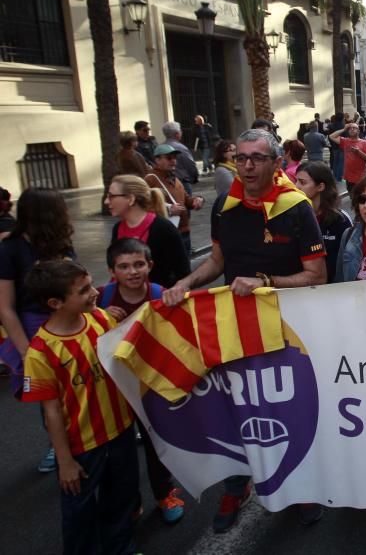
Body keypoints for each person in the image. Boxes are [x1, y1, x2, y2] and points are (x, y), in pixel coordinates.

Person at [161, 128, 327, 531]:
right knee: (236, 409)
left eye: (257, 158)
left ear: (274, 163)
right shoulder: (224, 205)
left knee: (286, 408)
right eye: (241, 158)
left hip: (288, 329)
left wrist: (265, 281)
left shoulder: (296, 207)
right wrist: (185, 283)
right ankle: (237, 486)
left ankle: (302, 486)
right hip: (234, 326)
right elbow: (217, 261)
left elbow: (316, 276)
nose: (248, 166)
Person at [21, 260, 139, 555]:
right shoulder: (41, 352)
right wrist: (65, 462)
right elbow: (51, 412)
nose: (94, 292)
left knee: (121, 500)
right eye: (84, 290)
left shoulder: (100, 320)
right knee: (79, 514)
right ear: (55, 302)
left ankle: (121, 548)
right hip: (82, 449)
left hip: (121, 432)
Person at [97, 238, 186, 524]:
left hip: (151, 384)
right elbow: (81, 327)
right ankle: (129, 502)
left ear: (150, 265)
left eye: (138, 264)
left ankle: (164, 494)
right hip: (115, 388)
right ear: (112, 271)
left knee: (157, 444)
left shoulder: (161, 294)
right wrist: (96, 315)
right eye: (124, 266)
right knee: (119, 454)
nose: (132, 271)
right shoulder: (101, 298)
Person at [0, 188, 76, 472]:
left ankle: (80, 439)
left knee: (75, 387)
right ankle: (57, 447)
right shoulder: (10, 249)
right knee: (49, 394)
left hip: (69, 322)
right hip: (33, 328)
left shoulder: (61, 244)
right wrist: (25, 352)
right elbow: (5, 307)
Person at [107, 175, 190, 288]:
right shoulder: (117, 228)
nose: (106, 201)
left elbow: (183, 274)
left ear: (131, 199)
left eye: (111, 196)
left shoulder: (163, 229)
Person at [296, 162, 352, 283]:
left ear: (320, 186)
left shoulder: (341, 220)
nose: (297, 187)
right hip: (300, 288)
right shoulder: (293, 217)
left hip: (332, 290)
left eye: (302, 182)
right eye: (296, 181)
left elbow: (349, 260)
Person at [145, 144, 205, 254]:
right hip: (167, 234)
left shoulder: (174, 178)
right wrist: (169, 210)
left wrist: (198, 200)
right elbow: (143, 207)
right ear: (157, 160)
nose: (173, 161)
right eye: (169, 158)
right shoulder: (151, 179)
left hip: (183, 232)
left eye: (174, 158)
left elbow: (186, 200)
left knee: (185, 268)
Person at [330, 122, 366, 193]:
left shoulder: (364, 143)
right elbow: (332, 136)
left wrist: (359, 152)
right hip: (349, 177)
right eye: (350, 128)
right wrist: (344, 129)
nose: (352, 129)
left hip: (360, 177)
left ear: (358, 131)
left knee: (360, 197)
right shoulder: (345, 141)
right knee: (352, 197)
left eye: (354, 128)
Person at [161, 121, 199, 187]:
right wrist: (194, 178)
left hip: (165, 182)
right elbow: (190, 164)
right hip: (182, 181)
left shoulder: (160, 147)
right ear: (177, 134)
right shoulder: (181, 148)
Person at [328, 112, 346, 182]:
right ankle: (339, 177)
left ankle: (335, 175)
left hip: (334, 146)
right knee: (341, 162)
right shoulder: (343, 126)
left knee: (335, 161)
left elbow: (329, 136)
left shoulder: (331, 125)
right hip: (342, 145)